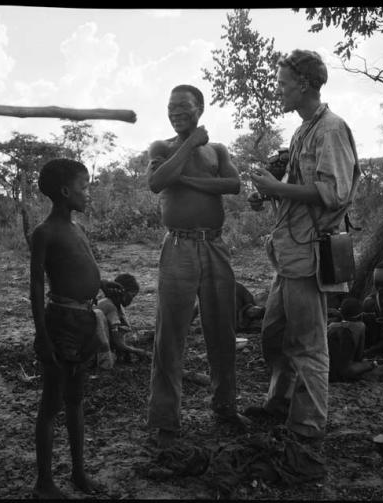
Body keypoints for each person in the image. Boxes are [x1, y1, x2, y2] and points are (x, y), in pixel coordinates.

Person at [244, 50, 361, 445]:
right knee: (274, 336)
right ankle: (280, 403)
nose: (278, 90)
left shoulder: (330, 129)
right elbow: (298, 192)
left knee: (308, 345)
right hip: (288, 251)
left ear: (305, 84)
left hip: (310, 254)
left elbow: (334, 193)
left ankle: (307, 429)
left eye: (282, 83)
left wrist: (277, 188)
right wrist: (270, 195)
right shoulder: (301, 132)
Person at [146, 84, 249, 449]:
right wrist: (188, 145)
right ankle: (165, 421)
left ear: (200, 108)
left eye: (183, 107)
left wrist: (187, 178)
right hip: (178, 245)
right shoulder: (162, 148)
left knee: (222, 330)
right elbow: (158, 182)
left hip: (214, 246)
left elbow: (234, 184)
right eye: (170, 107)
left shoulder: (217, 150)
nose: (175, 113)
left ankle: (225, 407)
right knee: (170, 334)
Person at [30, 158, 124, 498]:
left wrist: (104, 283)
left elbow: (83, 270)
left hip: (85, 320)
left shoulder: (75, 228)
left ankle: (79, 474)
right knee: (51, 404)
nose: (89, 192)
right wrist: (42, 336)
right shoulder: (45, 233)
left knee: (76, 400)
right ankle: (44, 482)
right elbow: (36, 289)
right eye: (85, 187)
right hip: (62, 325)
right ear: (66, 191)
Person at [95, 273, 140, 364]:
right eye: (132, 295)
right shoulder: (110, 307)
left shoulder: (110, 303)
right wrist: (140, 352)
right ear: (122, 292)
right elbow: (118, 343)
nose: (131, 300)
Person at [327, 298, 376, 382]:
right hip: (346, 370)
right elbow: (358, 356)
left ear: (341, 313)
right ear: (360, 314)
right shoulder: (361, 326)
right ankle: (374, 364)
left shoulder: (331, 326)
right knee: (371, 364)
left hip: (328, 369)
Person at [190, 281, 266, 333]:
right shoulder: (247, 297)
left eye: (254, 313)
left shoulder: (241, 322)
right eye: (255, 309)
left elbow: (227, 327)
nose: (253, 311)